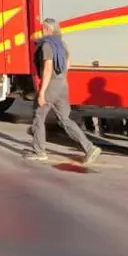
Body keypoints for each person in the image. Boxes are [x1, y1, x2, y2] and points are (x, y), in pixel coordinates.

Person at [25, 18, 102, 165]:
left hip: (51, 85)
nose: (42, 31)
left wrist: (42, 92)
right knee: (65, 120)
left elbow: (47, 69)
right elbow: (68, 64)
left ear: (48, 29)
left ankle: (39, 151)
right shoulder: (62, 44)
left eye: (43, 28)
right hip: (63, 85)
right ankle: (89, 147)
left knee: (39, 116)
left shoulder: (47, 45)